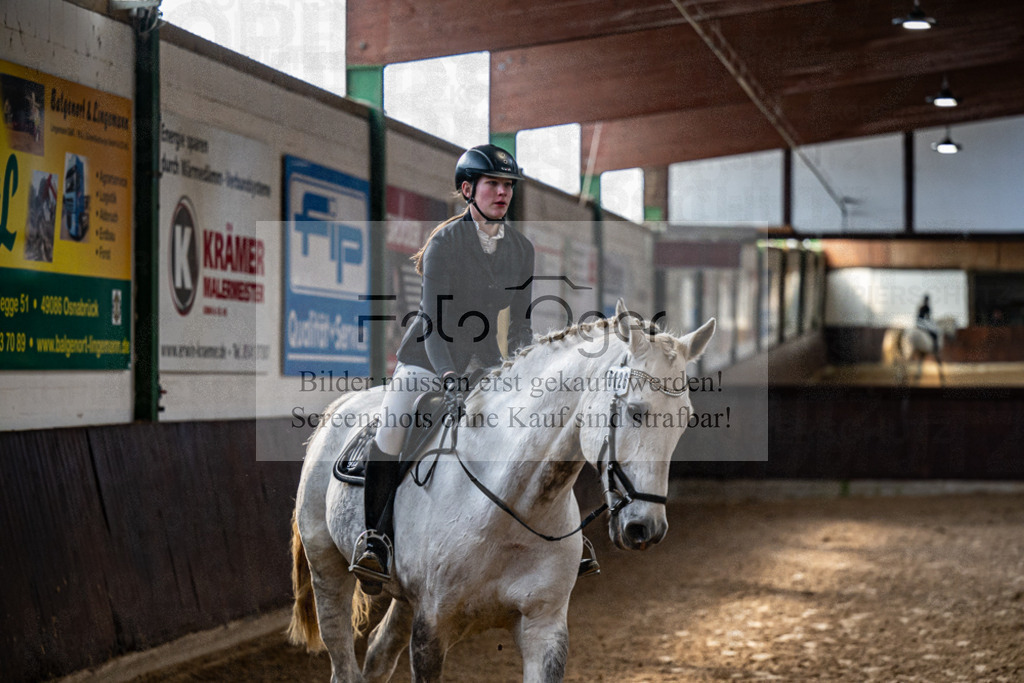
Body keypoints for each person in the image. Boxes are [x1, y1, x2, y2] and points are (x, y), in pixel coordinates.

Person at [351, 144, 537, 593]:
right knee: (392, 430)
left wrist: (522, 373)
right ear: (468, 189)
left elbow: (521, 324)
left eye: (508, 185)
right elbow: (432, 320)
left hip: (483, 362)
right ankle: (374, 538)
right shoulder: (444, 243)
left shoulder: (521, 249)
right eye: (493, 184)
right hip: (426, 359)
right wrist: (451, 378)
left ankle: (540, 538)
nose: (502, 193)